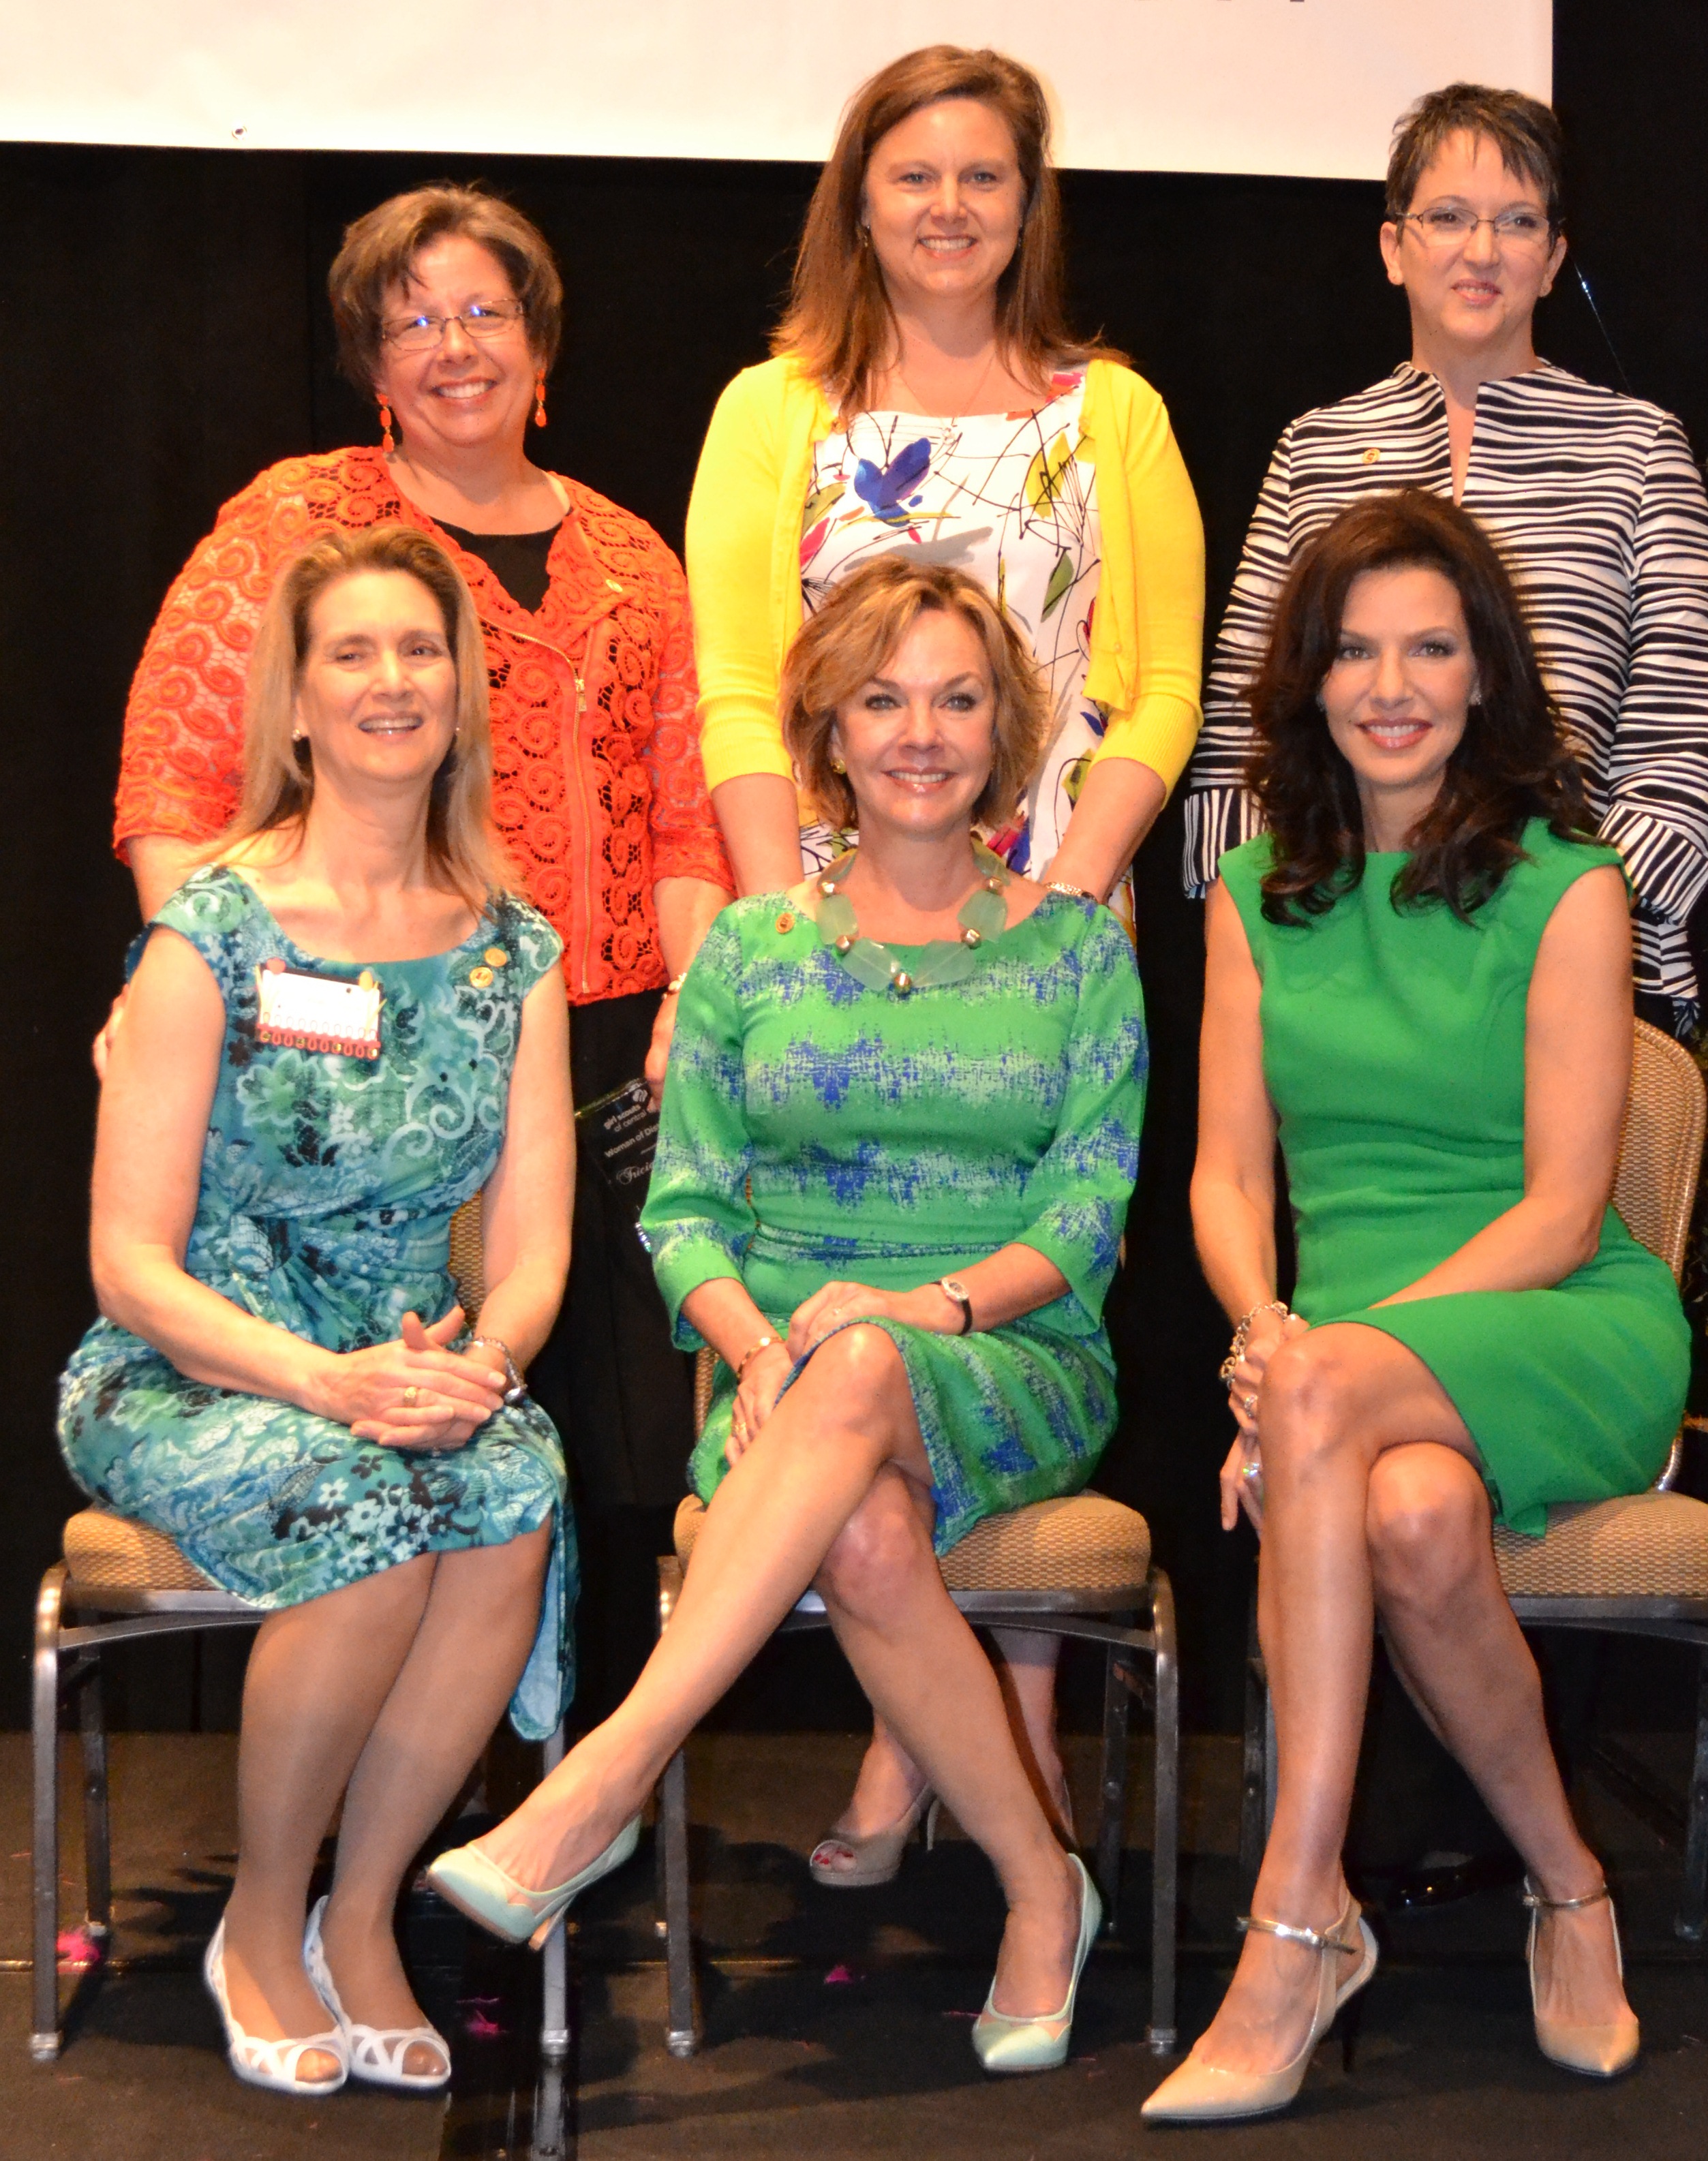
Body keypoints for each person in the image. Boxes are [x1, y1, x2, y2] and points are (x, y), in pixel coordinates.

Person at [429, 557, 1147, 2076]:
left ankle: (604, 1773)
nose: (920, 731)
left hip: (1009, 1355)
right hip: (781, 1388)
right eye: (882, 696)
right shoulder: (751, 948)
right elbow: (681, 1212)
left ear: (1002, 727)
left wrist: (910, 1308)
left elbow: (1084, 1220)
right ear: (827, 721)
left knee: (871, 1351)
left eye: (957, 697)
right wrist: (760, 1349)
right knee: (867, 1523)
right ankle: (1043, 1887)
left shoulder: (1079, 946)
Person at [685, 39, 1202, 1873]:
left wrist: (1061, 895)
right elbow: (738, 684)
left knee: (1013, 1286)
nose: (949, 206)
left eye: (984, 175)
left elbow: (1157, 683)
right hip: (822, 932)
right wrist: (778, 922)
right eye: (913, 174)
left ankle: (999, 1751)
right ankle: (927, 1734)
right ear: (858, 198)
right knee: (838, 1281)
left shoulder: (1105, 411)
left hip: (1040, 920)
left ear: (1025, 202)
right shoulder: (776, 409)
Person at [1142, 491, 1690, 2122]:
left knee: (1348, 1419)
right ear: (1307, 680)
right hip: (1344, 1360)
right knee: (1421, 1520)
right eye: (1355, 649)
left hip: (1554, 1316)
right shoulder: (1254, 894)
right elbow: (1225, 1180)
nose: (1391, 683)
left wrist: (1321, 1361)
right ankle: (1571, 1886)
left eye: (1430, 648)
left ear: (1483, 675)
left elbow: (1559, 1207)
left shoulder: (1568, 886)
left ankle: (1295, 1914)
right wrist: (1265, 1326)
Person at [112, 182, 732, 1546]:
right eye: (413, 323)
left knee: (600, 1442)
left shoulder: (635, 557)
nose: (454, 346)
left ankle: (585, 1753)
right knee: (398, 1404)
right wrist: (198, 992)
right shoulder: (298, 521)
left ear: (539, 341)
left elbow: (689, 814)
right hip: (354, 1032)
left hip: (609, 1042)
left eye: (482, 313)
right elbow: (176, 763)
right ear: (373, 363)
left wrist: (693, 1000)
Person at [59, 524, 576, 2097]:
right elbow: (126, 1264)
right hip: (192, 1361)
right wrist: (322, 1380)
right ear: (293, 702)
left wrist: (476, 1365)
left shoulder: (514, 950)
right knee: (368, 1510)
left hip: (418, 1362)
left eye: (418, 651)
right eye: (350, 652)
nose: (389, 680)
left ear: (460, 693)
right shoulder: (209, 931)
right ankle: (262, 1923)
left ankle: (365, 1913)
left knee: (511, 1487)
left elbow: (538, 1249)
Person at [1178, 81, 1708, 1034]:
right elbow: (1242, 729)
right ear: (1393, 247)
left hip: (1580, 978)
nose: (1480, 252)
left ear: (1552, 258)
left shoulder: (1636, 448)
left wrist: (1564, 917)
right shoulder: (1314, 450)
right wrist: (1298, 921)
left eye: (1515, 221)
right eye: (1447, 217)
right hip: (1341, 974)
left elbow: (1682, 741)